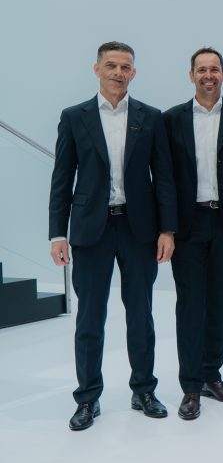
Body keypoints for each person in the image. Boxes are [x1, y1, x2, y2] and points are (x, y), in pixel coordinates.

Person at [49, 41, 177, 431]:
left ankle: (144, 390)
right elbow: (61, 179)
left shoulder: (150, 117)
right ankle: (88, 398)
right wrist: (57, 234)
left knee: (141, 315)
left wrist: (167, 229)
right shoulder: (75, 117)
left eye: (125, 67)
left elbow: (164, 178)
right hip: (91, 231)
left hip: (139, 230)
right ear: (97, 69)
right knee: (90, 318)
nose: (118, 73)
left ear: (133, 73)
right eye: (111, 65)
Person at [163, 47, 223, 420]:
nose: (208, 75)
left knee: (219, 304)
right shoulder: (171, 119)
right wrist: (166, 229)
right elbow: (164, 179)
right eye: (201, 69)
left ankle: (211, 376)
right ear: (191, 75)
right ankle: (190, 387)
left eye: (214, 69)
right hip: (187, 228)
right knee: (190, 306)